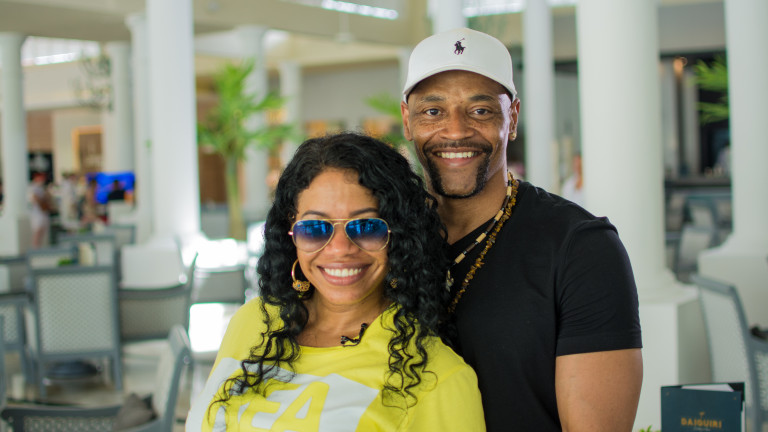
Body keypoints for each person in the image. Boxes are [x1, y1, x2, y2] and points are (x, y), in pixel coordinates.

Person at [400, 28, 643, 431]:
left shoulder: (580, 248)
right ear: (407, 121)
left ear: (511, 118)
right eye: (433, 111)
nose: (456, 131)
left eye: (481, 111)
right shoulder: (382, 240)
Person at [186, 132, 485, 431]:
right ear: (292, 233)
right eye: (315, 228)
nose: (340, 249)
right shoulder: (253, 321)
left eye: (366, 226)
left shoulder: (437, 377)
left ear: (399, 234)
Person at [28, 172, 52, 248]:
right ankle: (35, 248)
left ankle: (39, 247)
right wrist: (43, 202)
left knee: (42, 231)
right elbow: (35, 198)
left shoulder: (42, 188)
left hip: (43, 213)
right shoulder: (33, 187)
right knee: (37, 230)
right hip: (37, 213)